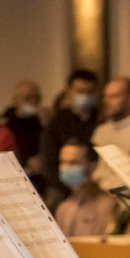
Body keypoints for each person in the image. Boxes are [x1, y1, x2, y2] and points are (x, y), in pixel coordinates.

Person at [40, 69, 101, 203]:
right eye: (80, 91)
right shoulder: (57, 123)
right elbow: (49, 161)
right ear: (69, 92)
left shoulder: (101, 120)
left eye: (89, 92)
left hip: (95, 182)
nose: (85, 96)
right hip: (62, 184)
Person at [54, 143, 119, 237]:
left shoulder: (107, 205)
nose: (66, 167)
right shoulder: (63, 208)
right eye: (62, 162)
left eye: (74, 162)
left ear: (93, 166)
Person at [91, 77, 130, 190]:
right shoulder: (101, 131)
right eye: (105, 96)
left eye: (114, 96)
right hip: (100, 190)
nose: (106, 101)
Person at [2, 80, 46, 172]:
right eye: (27, 98)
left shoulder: (44, 120)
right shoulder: (7, 124)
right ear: (15, 100)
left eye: (36, 97)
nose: (33, 101)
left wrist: (45, 123)